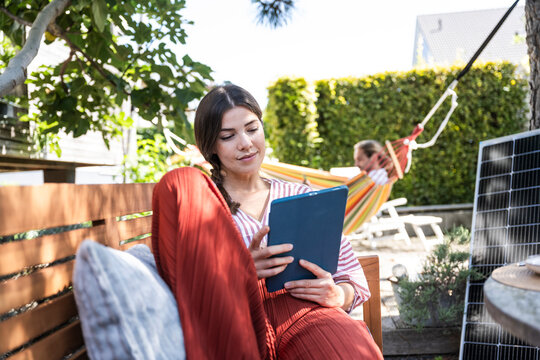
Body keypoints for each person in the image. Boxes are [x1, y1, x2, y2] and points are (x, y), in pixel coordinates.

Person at [151, 84, 383, 359]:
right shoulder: (202, 203)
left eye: (252, 129)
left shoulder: (302, 196)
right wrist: (240, 271)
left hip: (306, 315)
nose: (246, 143)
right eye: (228, 136)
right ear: (211, 145)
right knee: (179, 179)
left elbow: (351, 276)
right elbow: (185, 282)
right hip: (238, 322)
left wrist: (337, 295)